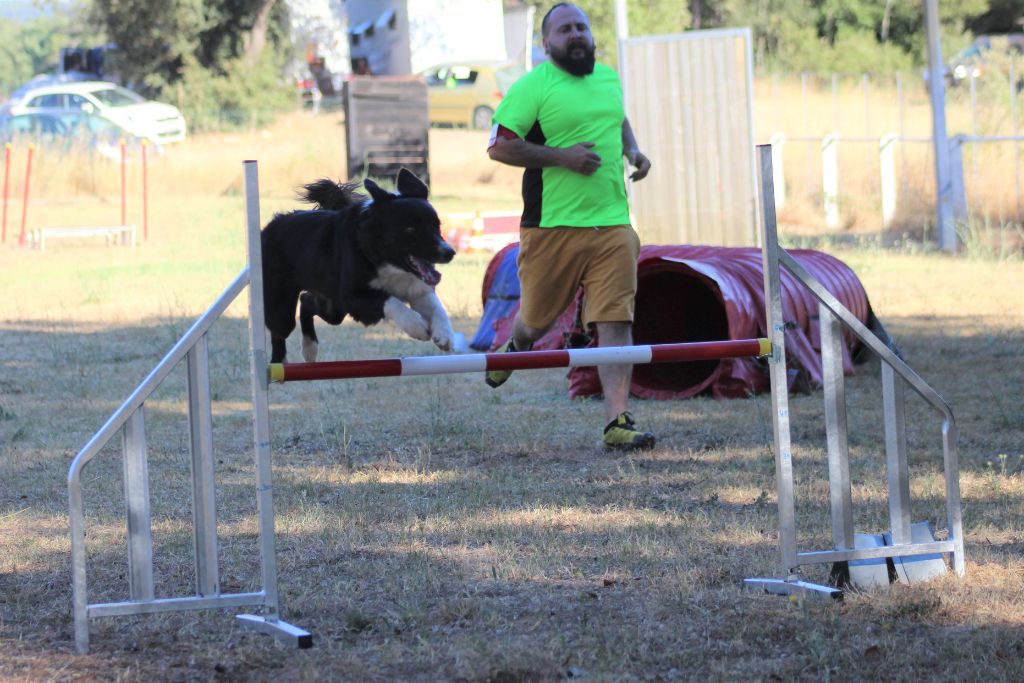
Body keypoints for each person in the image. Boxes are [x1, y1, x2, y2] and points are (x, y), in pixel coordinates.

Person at [484, 2, 655, 451]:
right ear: (547, 44)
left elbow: (615, 117)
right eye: (564, 30)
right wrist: (563, 158)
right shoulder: (533, 87)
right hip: (551, 227)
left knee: (616, 319)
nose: (576, 34)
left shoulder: (608, 78)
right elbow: (499, 147)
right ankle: (516, 347)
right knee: (537, 321)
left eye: (581, 26)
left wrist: (633, 152)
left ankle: (617, 421)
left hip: (613, 225)